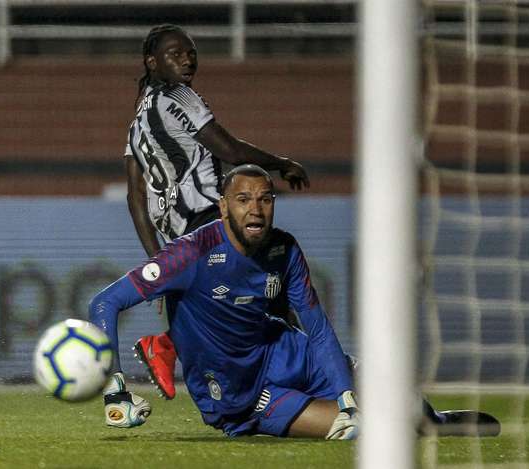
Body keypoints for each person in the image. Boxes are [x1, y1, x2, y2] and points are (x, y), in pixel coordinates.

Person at [91, 165, 358, 438]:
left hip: (284, 350)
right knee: (366, 429)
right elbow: (105, 302)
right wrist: (114, 391)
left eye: (265, 199)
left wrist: (346, 396)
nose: (255, 209)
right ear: (223, 207)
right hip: (240, 392)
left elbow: (318, 329)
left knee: (390, 391)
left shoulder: (283, 249)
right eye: (243, 200)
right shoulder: (191, 253)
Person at [125, 24, 310, 402]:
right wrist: (281, 163)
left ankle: (167, 346)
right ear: (152, 61)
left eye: (191, 52)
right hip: (212, 215)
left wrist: (159, 261)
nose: (187, 59)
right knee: (268, 293)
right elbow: (230, 150)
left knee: (240, 307)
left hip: (182, 232)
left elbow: (136, 194)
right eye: (175, 54)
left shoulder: (137, 121)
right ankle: (314, 371)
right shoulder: (179, 95)